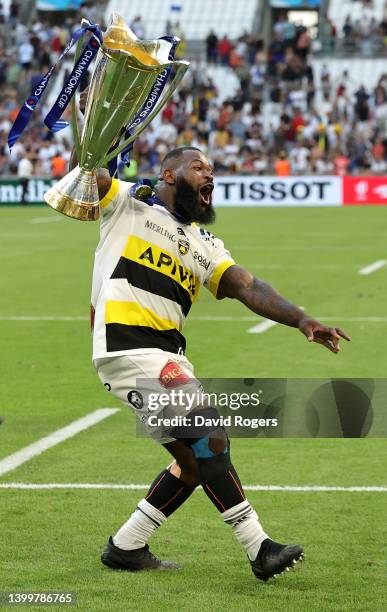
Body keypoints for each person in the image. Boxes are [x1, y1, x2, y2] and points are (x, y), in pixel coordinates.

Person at [72, 95, 351, 581]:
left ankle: (126, 546)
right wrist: (91, 117)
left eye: (212, 169)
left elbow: (247, 286)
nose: (210, 174)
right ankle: (259, 547)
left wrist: (303, 319)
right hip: (129, 346)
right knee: (212, 432)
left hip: (162, 354)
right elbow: (89, 169)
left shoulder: (203, 242)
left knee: (194, 463)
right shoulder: (128, 204)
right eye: (199, 166)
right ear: (168, 177)